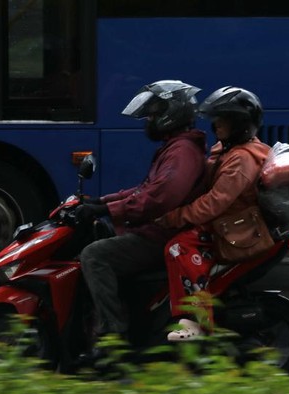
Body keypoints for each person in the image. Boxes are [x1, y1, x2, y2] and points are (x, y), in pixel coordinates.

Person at [75, 80, 207, 357]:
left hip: (160, 235)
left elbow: (160, 198)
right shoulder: (175, 148)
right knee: (99, 234)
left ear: (172, 113)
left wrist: (108, 210)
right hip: (155, 230)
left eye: (155, 114)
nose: (149, 120)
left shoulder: (181, 152)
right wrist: (101, 202)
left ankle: (113, 336)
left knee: (94, 256)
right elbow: (144, 190)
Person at [156, 86, 271, 341]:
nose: (216, 124)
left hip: (233, 228)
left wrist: (175, 216)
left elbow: (214, 203)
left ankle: (197, 325)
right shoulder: (228, 150)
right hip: (223, 223)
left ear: (240, 124)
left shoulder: (242, 159)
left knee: (179, 248)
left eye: (224, 119)